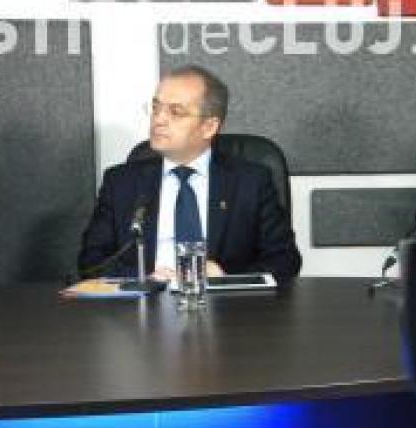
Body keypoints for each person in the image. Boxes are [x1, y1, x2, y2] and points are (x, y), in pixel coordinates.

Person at [78, 65, 301, 283]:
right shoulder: (121, 183)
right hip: (145, 302)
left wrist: (223, 275)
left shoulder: (250, 182)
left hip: (225, 305)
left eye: (176, 112)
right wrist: (144, 279)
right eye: (156, 108)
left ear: (209, 127)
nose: (159, 119)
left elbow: (285, 260)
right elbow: (91, 262)